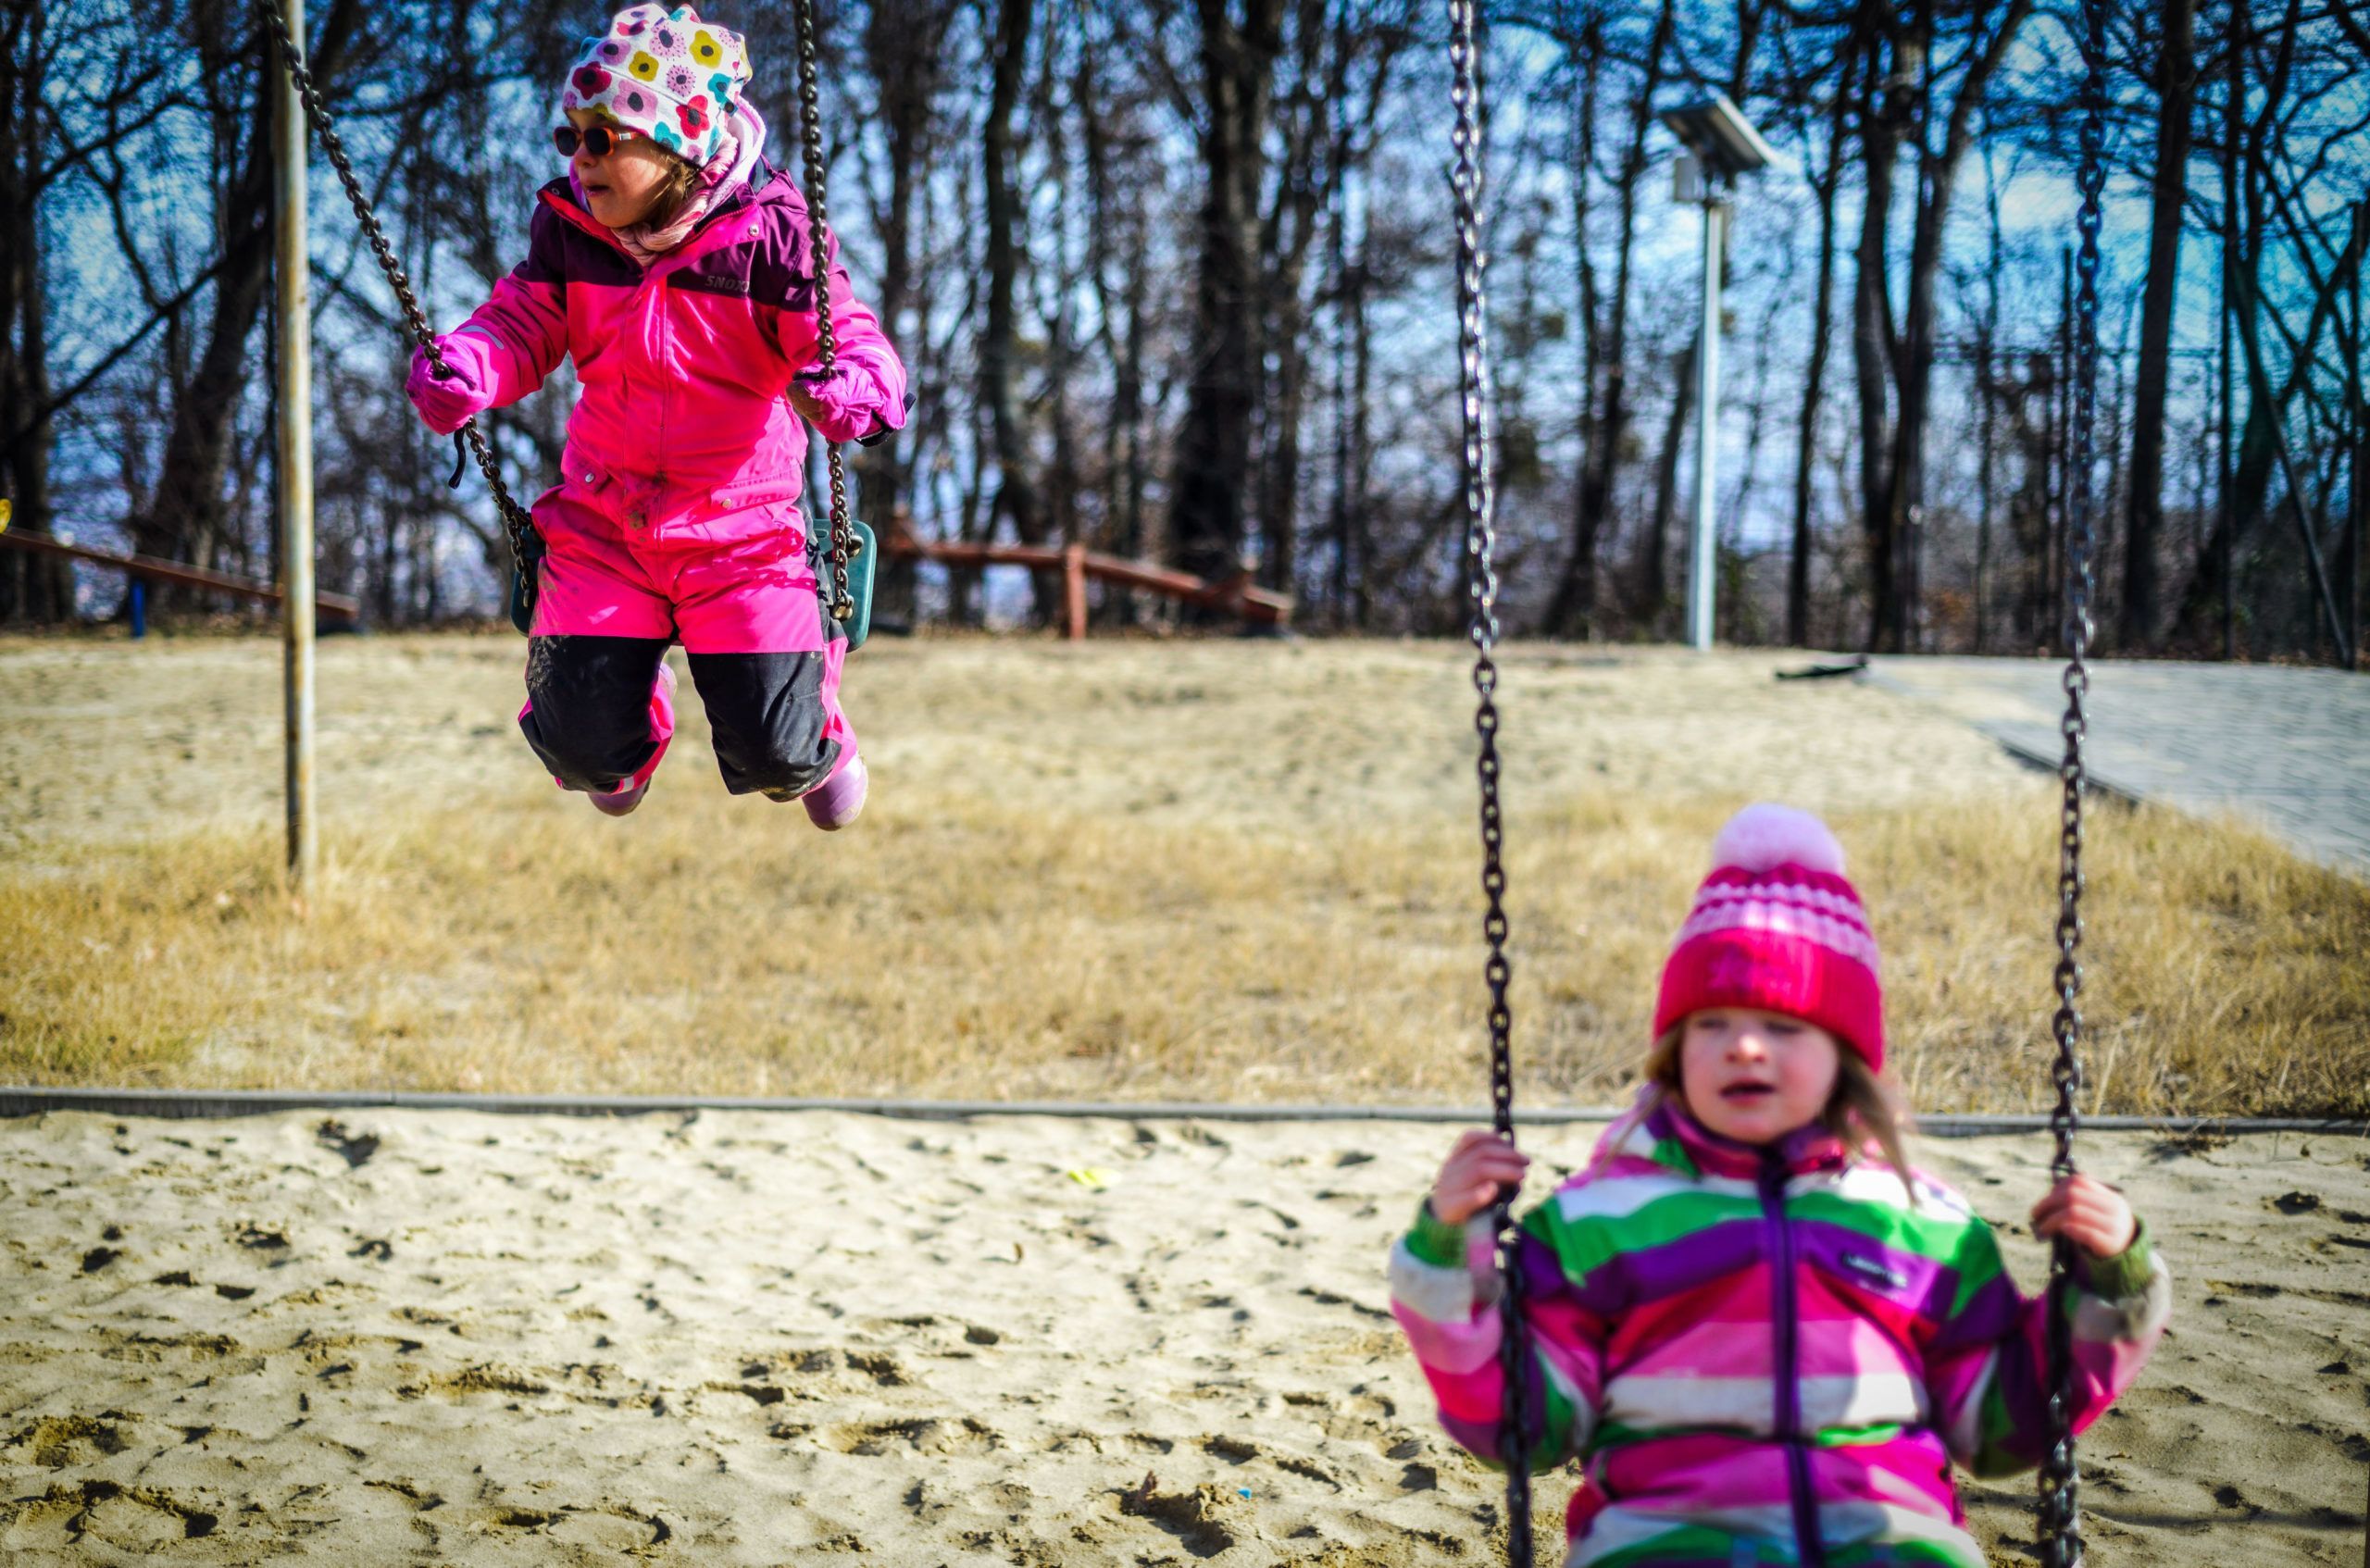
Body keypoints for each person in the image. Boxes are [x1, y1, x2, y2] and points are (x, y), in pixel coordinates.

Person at [1390, 803, 2170, 1567]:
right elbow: (1521, 1427)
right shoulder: (1599, 1223)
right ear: (1674, 1052)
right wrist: (1450, 1256)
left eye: (1786, 1026)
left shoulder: (1922, 1227)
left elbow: (2002, 1429)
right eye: (1712, 1024)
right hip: (1667, 1544)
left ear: (1845, 1057)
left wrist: (2107, 1287)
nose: (1746, 1049)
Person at [405, 4, 906, 828]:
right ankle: (632, 715)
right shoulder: (571, 231)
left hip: (743, 534)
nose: (580, 159)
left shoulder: (769, 238)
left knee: (778, 750)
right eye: (570, 137)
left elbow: (842, 328)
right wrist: (466, 365)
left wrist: (855, 383)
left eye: (602, 139)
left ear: (678, 141)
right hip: (607, 523)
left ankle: (822, 737)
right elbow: (521, 323)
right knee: (580, 748)